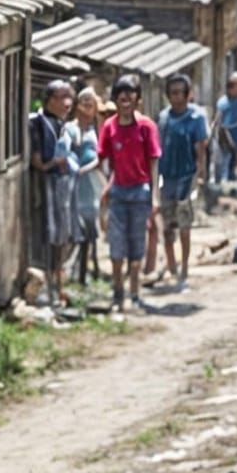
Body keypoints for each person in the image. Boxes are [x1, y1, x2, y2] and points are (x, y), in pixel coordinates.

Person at [97, 73, 160, 314]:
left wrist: (154, 196)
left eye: (130, 94)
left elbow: (153, 163)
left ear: (137, 100)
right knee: (116, 247)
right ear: (115, 99)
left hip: (140, 192)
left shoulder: (146, 127)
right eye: (121, 95)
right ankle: (118, 294)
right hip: (118, 193)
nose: (126, 99)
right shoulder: (109, 127)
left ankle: (134, 294)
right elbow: (103, 160)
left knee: (136, 246)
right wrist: (106, 185)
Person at [154, 73, 209, 288]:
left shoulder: (196, 117)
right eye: (173, 93)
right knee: (168, 227)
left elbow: (201, 148)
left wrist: (201, 175)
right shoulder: (164, 118)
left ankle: (184, 269)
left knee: (185, 226)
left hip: (187, 177)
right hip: (167, 177)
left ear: (187, 94)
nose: (177, 97)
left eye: (180, 93)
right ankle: (172, 267)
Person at [29, 79, 78, 307]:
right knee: (50, 237)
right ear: (49, 100)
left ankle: (59, 286)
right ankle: (48, 287)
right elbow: (38, 162)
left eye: (69, 97)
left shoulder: (62, 125)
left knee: (63, 237)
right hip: (46, 186)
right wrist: (56, 163)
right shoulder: (39, 124)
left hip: (64, 185)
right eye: (61, 98)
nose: (67, 103)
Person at [71, 87, 104, 288]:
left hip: (90, 183)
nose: (87, 108)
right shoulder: (70, 129)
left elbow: (100, 157)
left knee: (91, 227)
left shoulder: (95, 131)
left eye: (90, 105)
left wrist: (86, 169)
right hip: (74, 184)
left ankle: (92, 269)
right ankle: (78, 273)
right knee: (78, 228)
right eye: (84, 104)